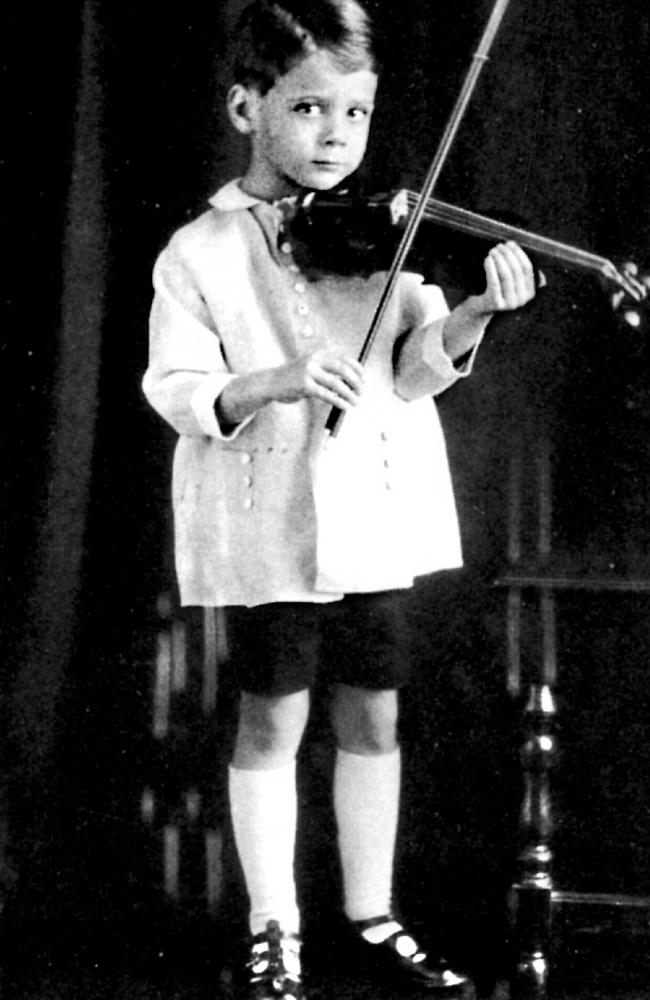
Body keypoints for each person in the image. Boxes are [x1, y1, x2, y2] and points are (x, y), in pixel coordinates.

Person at [142, 1, 536, 997]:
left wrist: (477, 310)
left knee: (373, 712)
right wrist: (273, 379)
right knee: (270, 720)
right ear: (244, 105)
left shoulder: (383, 238)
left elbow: (412, 371)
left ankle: (371, 911)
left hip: (373, 517)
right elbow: (176, 386)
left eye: (353, 116)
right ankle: (275, 928)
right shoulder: (200, 251)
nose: (335, 137)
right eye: (309, 109)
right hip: (268, 522)